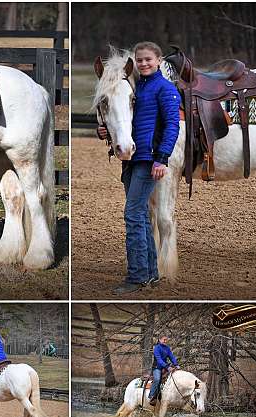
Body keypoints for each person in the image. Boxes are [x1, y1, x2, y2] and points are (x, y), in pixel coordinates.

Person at [98, 41, 180, 295]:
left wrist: (162, 159)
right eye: (140, 60)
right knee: (142, 215)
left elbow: (172, 127)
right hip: (131, 159)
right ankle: (151, 273)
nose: (144, 63)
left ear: (158, 61)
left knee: (133, 214)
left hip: (149, 159)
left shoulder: (164, 89)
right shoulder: (134, 86)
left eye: (148, 59)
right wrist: (103, 131)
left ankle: (136, 277)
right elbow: (120, 116)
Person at [149, 334, 180, 406]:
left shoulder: (167, 348)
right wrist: (167, 367)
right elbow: (159, 360)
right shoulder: (157, 348)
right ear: (160, 340)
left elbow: (171, 357)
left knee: (174, 377)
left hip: (165, 367)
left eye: (166, 340)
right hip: (157, 367)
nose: (165, 341)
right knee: (157, 379)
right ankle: (152, 396)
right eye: (164, 340)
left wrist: (176, 364)